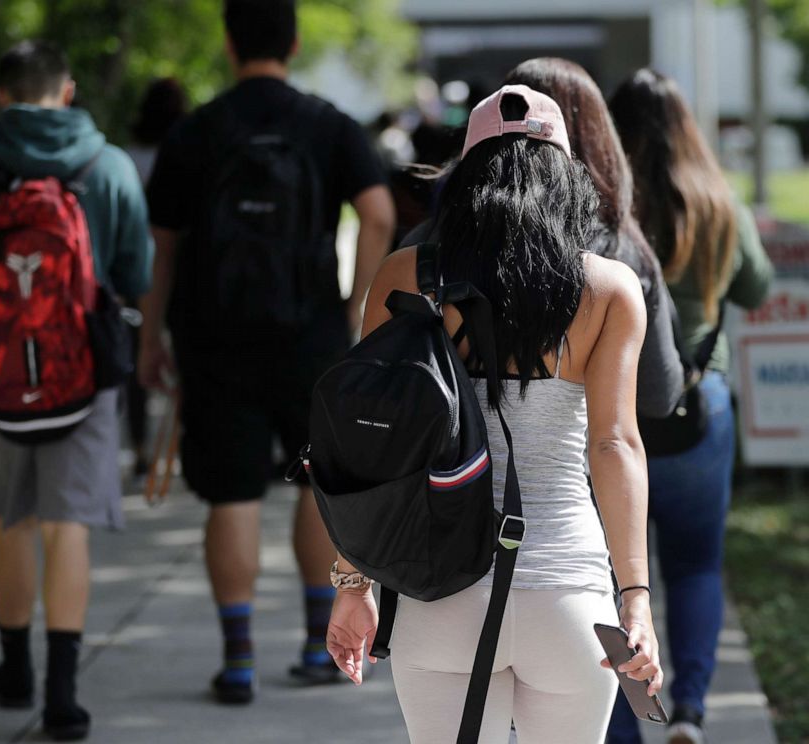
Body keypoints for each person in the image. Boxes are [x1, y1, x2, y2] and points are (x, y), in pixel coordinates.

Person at [325, 85, 662, 744]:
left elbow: (370, 443)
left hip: (440, 589)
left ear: (467, 178)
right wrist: (636, 599)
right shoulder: (609, 290)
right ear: (566, 178)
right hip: (571, 595)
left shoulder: (403, 276)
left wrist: (352, 581)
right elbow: (615, 445)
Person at [142, 0, 395, 704]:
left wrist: (151, 338)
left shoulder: (197, 130)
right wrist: (354, 309)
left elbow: (161, 249)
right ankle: (321, 646)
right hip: (312, 337)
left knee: (231, 494)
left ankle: (239, 659)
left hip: (213, 340)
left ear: (227, 43)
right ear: (294, 40)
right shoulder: (328, 125)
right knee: (317, 484)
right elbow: (378, 213)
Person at [0, 40, 152, 741]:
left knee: (10, 522)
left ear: (1, 95)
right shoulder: (107, 165)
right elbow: (134, 272)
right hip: (82, 374)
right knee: (67, 527)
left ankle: (14, 667)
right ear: (69, 90)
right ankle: (62, 694)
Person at [607, 69, 774, 744]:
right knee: (696, 566)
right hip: (700, 410)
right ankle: (693, 712)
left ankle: (624, 726)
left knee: (613, 580)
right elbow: (758, 288)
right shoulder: (716, 201)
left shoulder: (604, 203)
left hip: (613, 418)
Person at [503, 58, 684, 418]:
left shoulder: (431, 244)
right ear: (595, 134)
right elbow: (657, 394)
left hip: (446, 466)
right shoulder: (619, 257)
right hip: (575, 466)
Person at [124, 78, 188, 479]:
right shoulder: (187, 151)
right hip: (182, 268)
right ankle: (179, 440)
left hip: (137, 267)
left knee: (139, 361)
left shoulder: (129, 157)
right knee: (184, 357)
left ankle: (142, 446)